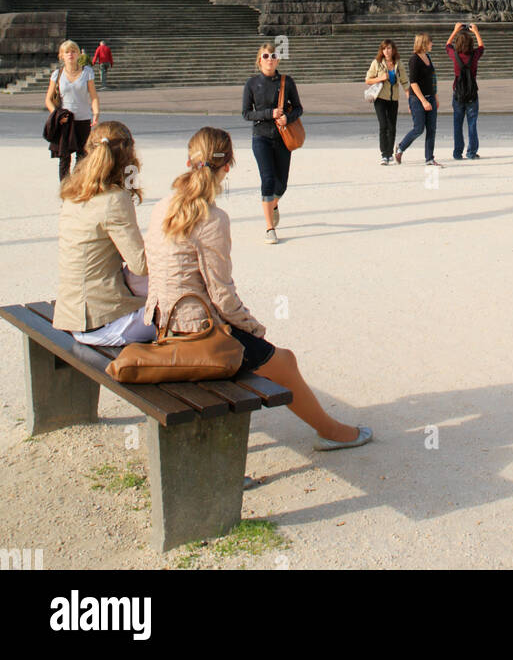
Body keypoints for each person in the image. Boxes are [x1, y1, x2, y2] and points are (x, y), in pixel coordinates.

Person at [145, 127, 371, 450]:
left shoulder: (161, 207)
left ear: (188, 161)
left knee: (276, 360)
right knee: (285, 362)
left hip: (162, 324)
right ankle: (331, 432)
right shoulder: (212, 218)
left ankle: (328, 430)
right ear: (228, 167)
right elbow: (222, 296)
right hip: (198, 332)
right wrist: (254, 329)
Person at [53, 121, 156, 347]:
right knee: (186, 313)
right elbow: (141, 265)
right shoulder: (115, 199)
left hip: (72, 315)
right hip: (104, 323)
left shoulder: (73, 194)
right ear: (129, 155)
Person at [242, 43, 303, 243]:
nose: (270, 59)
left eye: (273, 56)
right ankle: (270, 227)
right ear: (259, 60)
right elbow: (246, 113)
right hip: (261, 136)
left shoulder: (286, 81)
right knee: (267, 179)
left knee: (281, 184)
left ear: (278, 59)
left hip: (282, 137)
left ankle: (272, 204)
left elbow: (298, 108)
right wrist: (269, 113)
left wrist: (288, 117)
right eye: (266, 56)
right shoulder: (252, 84)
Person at [44, 40, 100, 181]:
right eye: (67, 52)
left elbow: (93, 96)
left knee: (82, 157)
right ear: (61, 55)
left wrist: (96, 112)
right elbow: (48, 100)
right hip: (66, 121)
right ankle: (65, 190)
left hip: (83, 119)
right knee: (64, 158)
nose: (70, 54)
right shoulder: (57, 74)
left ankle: (77, 185)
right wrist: (56, 116)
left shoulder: (87, 72)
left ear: (78, 54)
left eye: (73, 51)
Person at [395, 33, 440, 166]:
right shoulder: (414, 60)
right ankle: (400, 147)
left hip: (430, 96)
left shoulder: (428, 57)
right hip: (417, 99)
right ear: (424, 43)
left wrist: (435, 97)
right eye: (430, 42)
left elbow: (432, 79)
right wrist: (424, 101)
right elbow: (413, 83)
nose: (432, 44)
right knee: (419, 128)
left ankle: (429, 158)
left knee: (432, 129)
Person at [365, 40, 409, 164]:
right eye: (384, 49)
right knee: (383, 125)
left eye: (389, 48)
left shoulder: (398, 64)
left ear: (393, 49)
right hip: (380, 98)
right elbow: (368, 80)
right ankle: (384, 154)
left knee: (392, 127)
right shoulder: (377, 63)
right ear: (382, 50)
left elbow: (405, 81)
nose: (387, 51)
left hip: (393, 99)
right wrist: (381, 78)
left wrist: (409, 98)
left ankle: (390, 153)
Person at [445, 22, 484, 159]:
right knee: (472, 124)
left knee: (457, 124)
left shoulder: (455, 56)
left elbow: (447, 45)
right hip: (472, 93)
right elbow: (481, 47)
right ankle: (471, 152)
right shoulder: (474, 56)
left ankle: (457, 152)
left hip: (458, 92)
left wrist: (455, 30)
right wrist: (476, 31)